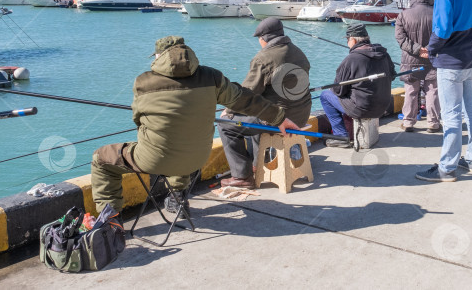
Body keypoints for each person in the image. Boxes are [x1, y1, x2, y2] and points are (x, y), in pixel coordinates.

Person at [91, 36, 295, 215]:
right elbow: (245, 100)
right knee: (182, 139)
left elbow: (137, 119)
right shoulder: (212, 77)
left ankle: (109, 220)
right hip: (197, 158)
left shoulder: (143, 82)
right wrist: (279, 118)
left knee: (101, 159)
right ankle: (178, 197)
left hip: (154, 159)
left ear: (158, 56)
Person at [415, 0, 472, 182]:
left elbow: (442, 28)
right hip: (471, 58)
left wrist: (431, 49)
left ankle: (447, 167)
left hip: (450, 62)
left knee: (452, 114)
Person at [218, 18, 311, 189]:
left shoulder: (264, 58)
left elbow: (245, 94)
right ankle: (258, 163)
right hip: (302, 115)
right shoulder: (299, 52)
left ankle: (242, 177)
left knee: (225, 125)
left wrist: (228, 110)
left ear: (263, 38)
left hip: (280, 120)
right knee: (255, 116)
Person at [319, 23, 395, 148]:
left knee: (325, 96)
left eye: (348, 40)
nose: (347, 43)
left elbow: (338, 90)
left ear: (353, 39)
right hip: (382, 106)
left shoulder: (351, 59)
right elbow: (392, 76)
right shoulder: (384, 54)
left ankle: (340, 136)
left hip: (362, 109)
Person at [395, 0, 441, 133]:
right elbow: (442, 35)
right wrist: (428, 50)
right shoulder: (437, 13)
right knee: (432, 91)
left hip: (410, 60)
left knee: (411, 91)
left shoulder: (403, 14)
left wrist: (418, 50)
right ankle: (433, 123)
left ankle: (408, 121)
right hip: (432, 58)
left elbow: (401, 39)